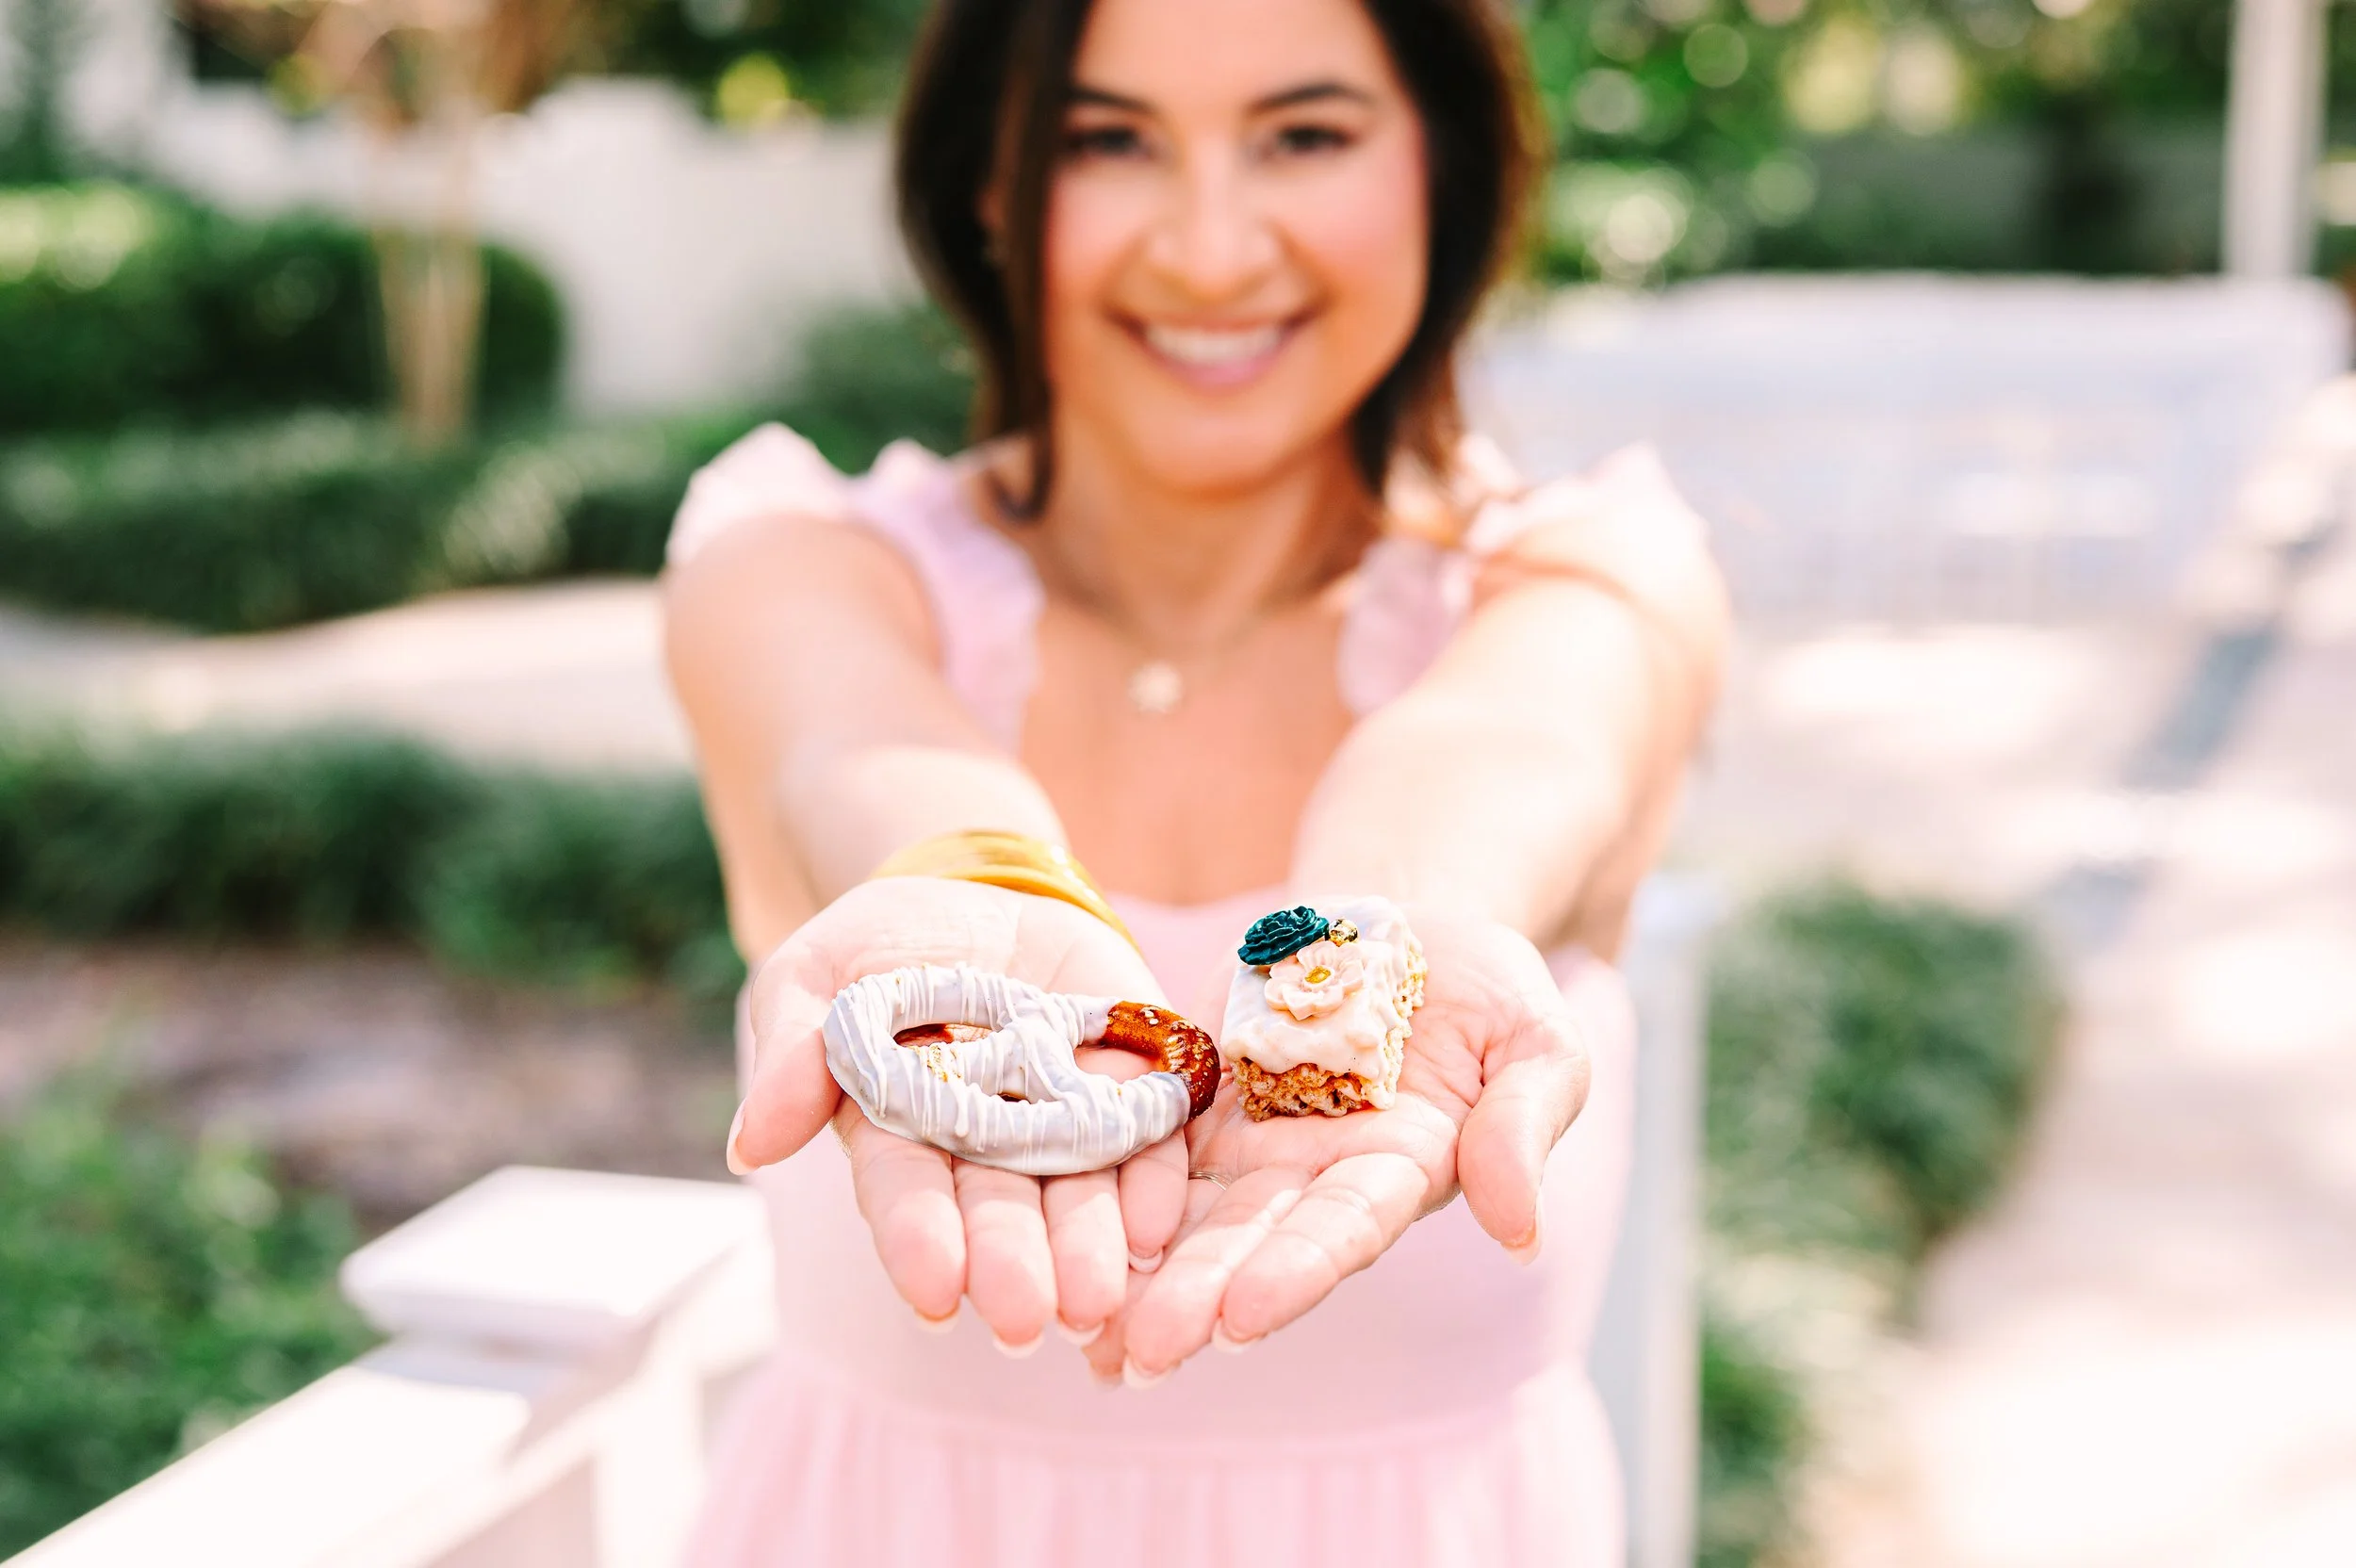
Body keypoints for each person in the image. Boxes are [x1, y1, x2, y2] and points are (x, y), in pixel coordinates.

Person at [663, 0, 1726, 1560]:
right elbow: (859, 750)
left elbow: (1505, 747)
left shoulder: (1588, 581)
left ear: (1443, 160)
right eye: (1110, 140)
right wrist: (976, 881)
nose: (1214, 251)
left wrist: (1382, 933)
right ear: (990, 187)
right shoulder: (790, 564)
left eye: (1306, 134)